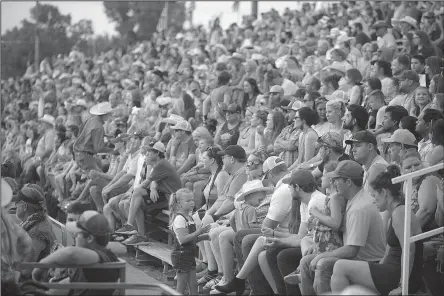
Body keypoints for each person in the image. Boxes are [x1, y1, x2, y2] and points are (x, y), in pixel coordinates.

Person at [331, 166, 423, 295]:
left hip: (399, 275)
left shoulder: (399, 213)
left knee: (340, 267)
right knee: (340, 269)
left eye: (374, 195)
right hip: (390, 270)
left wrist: (402, 286)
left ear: (384, 193)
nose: (373, 200)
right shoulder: (395, 213)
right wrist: (377, 267)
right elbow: (389, 251)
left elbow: (410, 249)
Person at [299, 160, 386, 295]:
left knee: (323, 264)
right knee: (306, 261)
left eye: (337, 180)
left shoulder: (359, 207)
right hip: (358, 259)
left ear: (349, 182)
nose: (333, 183)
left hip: (369, 263)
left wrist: (322, 255)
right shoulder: (353, 199)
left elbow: (352, 250)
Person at [32, 211, 120, 296]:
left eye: (78, 234)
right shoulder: (88, 261)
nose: (74, 236)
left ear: (89, 238)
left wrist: (39, 268)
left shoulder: (105, 257)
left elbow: (70, 253)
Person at [115, 141, 182, 243]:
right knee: (136, 202)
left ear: (158, 154)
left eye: (149, 154)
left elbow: (145, 183)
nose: (146, 155)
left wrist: (133, 194)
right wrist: (153, 187)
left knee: (136, 195)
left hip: (171, 199)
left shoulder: (161, 164)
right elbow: (154, 180)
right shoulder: (159, 165)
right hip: (164, 195)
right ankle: (137, 233)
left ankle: (133, 228)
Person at [169, 188, 211, 294]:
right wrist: (199, 231)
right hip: (181, 256)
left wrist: (205, 236)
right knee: (182, 285)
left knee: (193, 284)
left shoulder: (190, 217)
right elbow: (183, 240)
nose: (192, 203)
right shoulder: (180, 219)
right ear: (179, 203)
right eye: (188, 201)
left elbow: (192, 240)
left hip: (189, 255)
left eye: (192, 200)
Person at [15, 184, 56, 281]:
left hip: (34, 284)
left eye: (17, 206)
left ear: (24, 206)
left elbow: (26, 270)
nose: (15, 208)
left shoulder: (38, 232)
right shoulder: (33, 221)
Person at [73, 102, 116, 172]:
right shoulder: (99, 126)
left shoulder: (91, 120)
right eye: (109, 113)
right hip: (86, 156)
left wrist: (104, 136)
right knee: (99, 177)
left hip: (78, 154)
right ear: (105, 114)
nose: (110, 115)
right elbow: (98, 149)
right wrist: (112, 151)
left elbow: (84, 134)